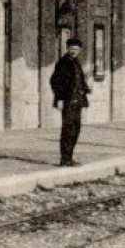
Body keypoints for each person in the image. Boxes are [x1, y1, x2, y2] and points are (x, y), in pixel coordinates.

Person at [49, 38, 91, 167]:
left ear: (79, 51)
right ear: (68, 49)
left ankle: (69, 157)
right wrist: (59, 99)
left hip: (77, 101)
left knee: (76, 129)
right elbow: (55, 81)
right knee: (68, 130)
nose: (74, 51)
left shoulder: (76, 62)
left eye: (76, 49)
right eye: (72, 49)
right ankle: (65, 159)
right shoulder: (63, 63)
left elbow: (79, 80)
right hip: (67, 101)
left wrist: (86, 89)